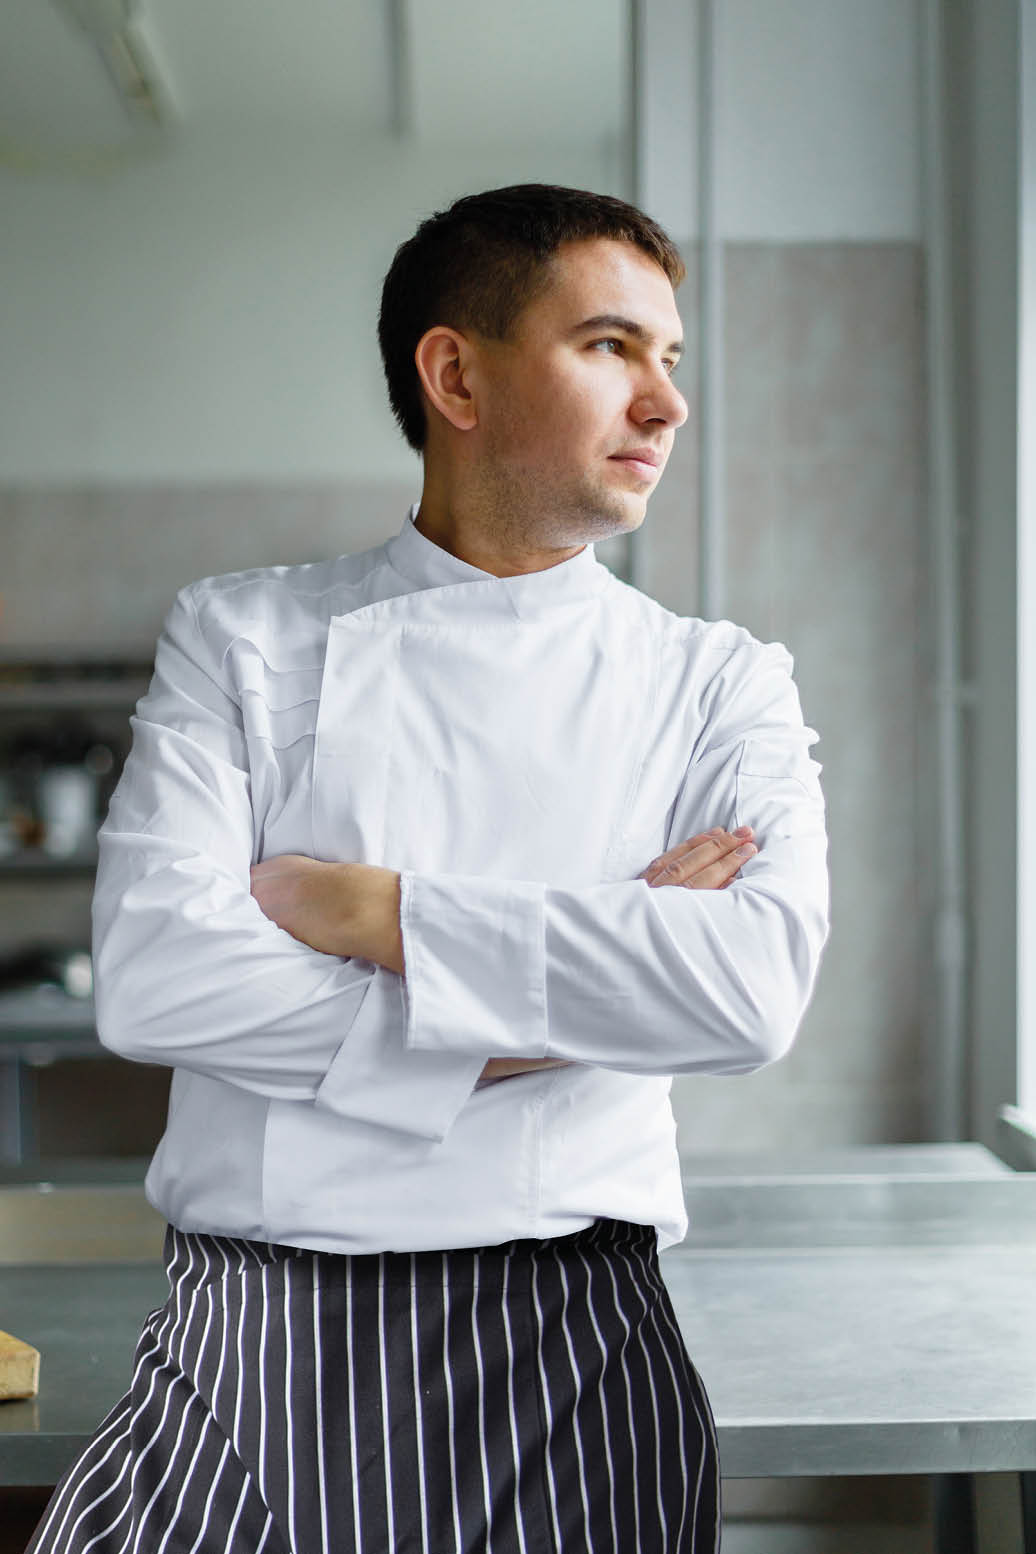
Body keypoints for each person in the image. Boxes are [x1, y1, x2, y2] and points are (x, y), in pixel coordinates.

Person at [28, 183, 829, 1554]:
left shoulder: (719, 682)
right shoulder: (243, 638)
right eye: (609, 347)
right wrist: (590, 981)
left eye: (672, 359)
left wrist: (379, 912)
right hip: (252, 1332)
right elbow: (158, 982)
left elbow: (749, 991)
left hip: (573, 1345)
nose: (667, 404)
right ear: (456, 373)